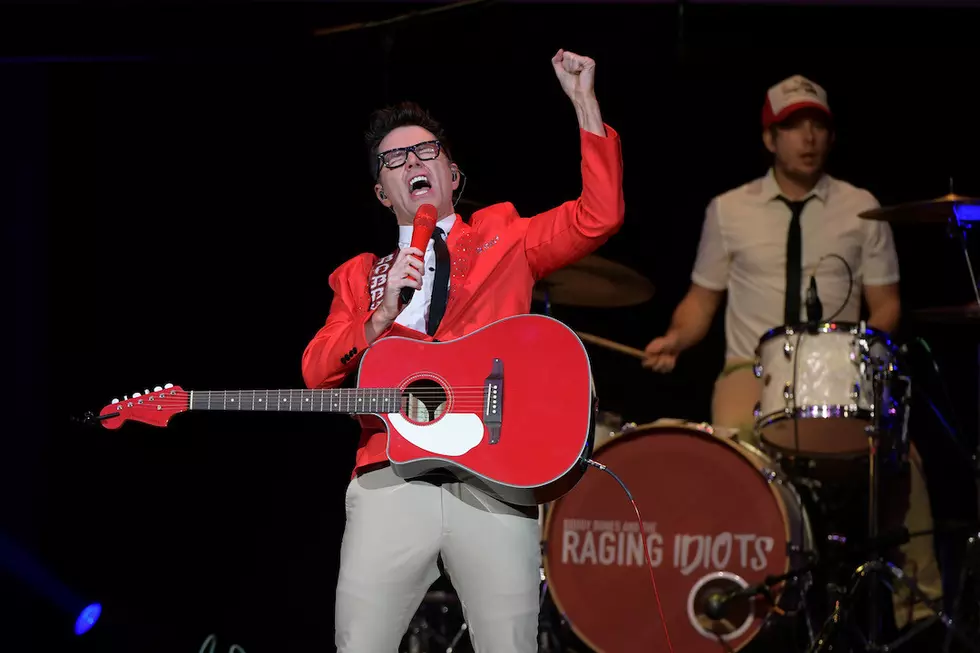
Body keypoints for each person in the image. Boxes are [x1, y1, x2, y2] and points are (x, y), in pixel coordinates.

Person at [301, 50, 624, 652]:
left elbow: (598, 216)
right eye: (394, 159)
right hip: (389, 477)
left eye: (426, 152)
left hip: (496, 479)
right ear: (381, 191)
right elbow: (317, 371)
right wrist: (376, 321)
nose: (412, 163)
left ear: (453, 175)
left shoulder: (507, 236)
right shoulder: (359, 277)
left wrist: (584, 103)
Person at [642, 75, 942, 647]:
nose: (808, 137)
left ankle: (920, 614)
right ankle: (738, 602)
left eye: (819, 125)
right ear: (768, 138)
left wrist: (859, 362)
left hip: (837, 376)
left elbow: (887, 306)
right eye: (793, 126)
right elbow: (702, 300)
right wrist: (676, 339)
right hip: (749, 373)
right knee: (727, 450)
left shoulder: (862, 207)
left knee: (907, 465)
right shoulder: (728, 209)